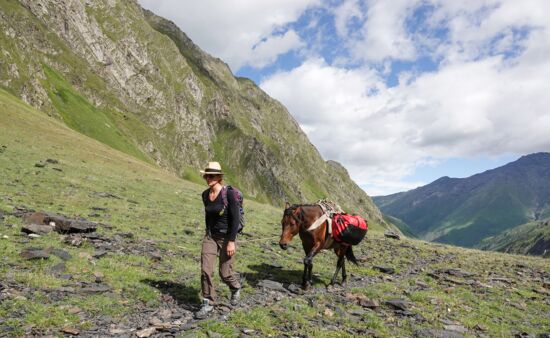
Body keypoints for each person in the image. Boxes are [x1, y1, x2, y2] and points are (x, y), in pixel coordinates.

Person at [195, 161, 242, 319]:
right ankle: (208, 302)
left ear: (219, 177)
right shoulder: (205, 195)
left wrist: (231, 241)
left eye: (212, 176)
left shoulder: (228, 194)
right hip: (210, 237)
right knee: (205, 270)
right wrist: (208, 233)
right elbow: (208, 216)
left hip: (227, 238)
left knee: (225, 273)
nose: (208, 178)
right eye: (206, 176)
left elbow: (235, 219)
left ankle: (235, 288)